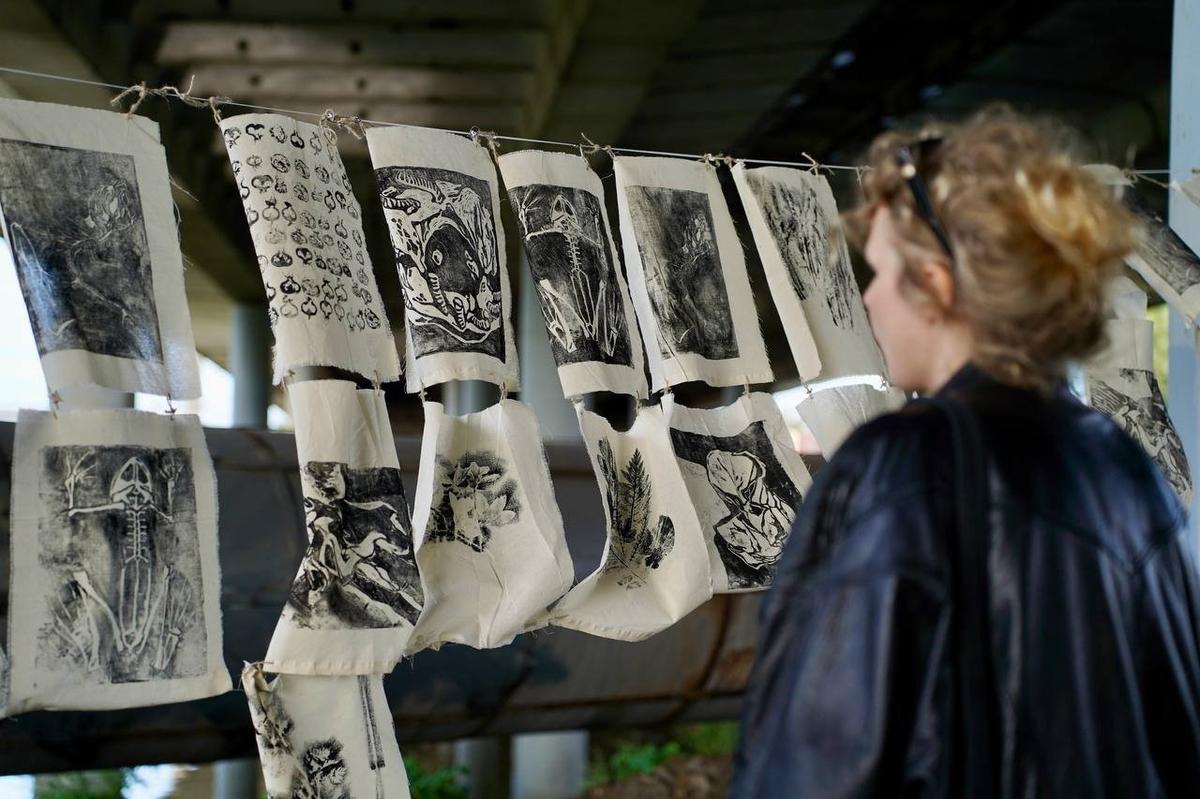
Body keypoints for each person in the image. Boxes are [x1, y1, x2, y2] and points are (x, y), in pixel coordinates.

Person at [730, 108, 1200, 797]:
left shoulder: (903, 463)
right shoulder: (1124, 467)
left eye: (880, 271)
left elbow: (817, 761)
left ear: (938, 286)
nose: (869, 299)